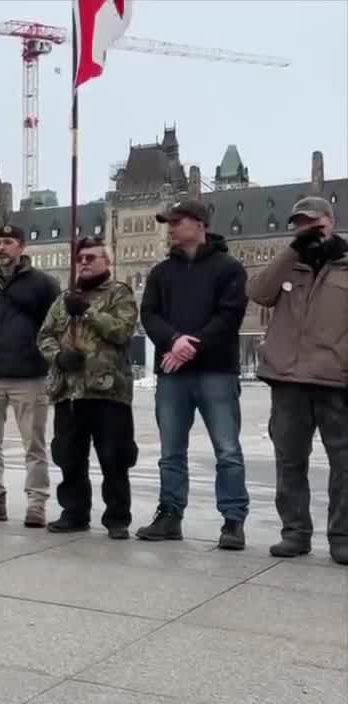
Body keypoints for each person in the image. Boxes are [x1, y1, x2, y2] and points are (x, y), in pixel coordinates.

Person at [138, 200, 249, 549]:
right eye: (168, 222)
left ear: (199, 223)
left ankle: (233, 521)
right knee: (171, 451)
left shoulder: (229, 268)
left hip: (216, 370)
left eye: (176, 221)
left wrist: (192, 345)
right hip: (173, 375)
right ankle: (170, 515)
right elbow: (149, 314)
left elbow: (229, 316)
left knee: (227, 449)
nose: (169, 227)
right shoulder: (160, 273)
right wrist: (173, 340)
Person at [246, 196, 348, 564]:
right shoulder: (288, 265)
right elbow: (257, 293)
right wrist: (292, 251)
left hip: (335, 380)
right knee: (290, 460)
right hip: (287, 378)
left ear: (329, 222)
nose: (306, 228)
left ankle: (342, 535)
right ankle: (295, 532)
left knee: (344, 462)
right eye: (299, 223)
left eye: (312, 222)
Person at [37, 237, 139, 539]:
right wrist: (58, 355)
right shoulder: (64, 299)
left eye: (92, 257)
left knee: (114, 457)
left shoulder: (119, 293)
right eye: (80, 258)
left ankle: (117, 517)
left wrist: (89, 312)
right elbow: (45, 335)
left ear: (106, 262)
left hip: (108, 392)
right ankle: (74, 512)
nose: (84, 262)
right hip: (70, 392)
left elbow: (122, 332)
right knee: (69, 456)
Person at [0, 224, 61, 527]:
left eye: (7, 242)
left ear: (21, 247)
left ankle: (36, 503)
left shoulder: (44, 284)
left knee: (33, 446)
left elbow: (54, 326)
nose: (1, 248)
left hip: (28, 376)